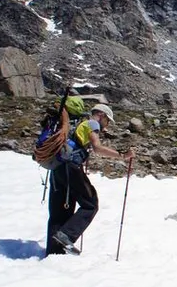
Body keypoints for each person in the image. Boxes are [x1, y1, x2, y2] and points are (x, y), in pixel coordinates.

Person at [47, 104, 135, 256]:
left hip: (57, 167)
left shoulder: (76, 124)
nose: (107, 125)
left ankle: (53, 253)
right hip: (71, 167)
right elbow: (97, 147)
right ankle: (66, 235)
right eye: (107, 120)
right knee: (90, 203)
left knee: (60, 211)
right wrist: (122, 155)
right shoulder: (92, 124)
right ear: (101, 115)